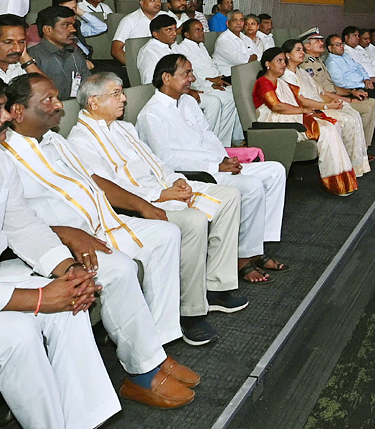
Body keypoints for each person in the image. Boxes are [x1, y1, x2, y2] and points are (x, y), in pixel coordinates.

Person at [0, 75, 200, 409]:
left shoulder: (54, 141)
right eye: (47, 100)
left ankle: (159, 346)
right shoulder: (1, 155)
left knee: (166, 235)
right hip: (58, 246)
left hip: (102, 225)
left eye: (56, 97)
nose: (58, 105)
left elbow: (94, 182)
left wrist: (140, 204)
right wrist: (67, 234)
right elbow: (14, 222)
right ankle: (141, 374)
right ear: (18, 111)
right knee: (119, 270)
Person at [0, 72, 122, 429]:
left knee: (69, 305)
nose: (7, 117)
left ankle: (83, 421)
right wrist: (39, 297)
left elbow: (24, 225)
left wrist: (66, 270)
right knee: (19, 334)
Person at [68, 72, 247, 345]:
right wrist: (162, 194)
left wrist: (178, 181)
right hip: (141, 203)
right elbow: (109, 190)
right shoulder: (80, 140)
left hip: (165, 187)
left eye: (121, 92)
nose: (124, 98)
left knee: (229, 195)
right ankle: (189, 311)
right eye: (116, 93)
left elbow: (156, 162)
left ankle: (216, 286)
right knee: (194, 220)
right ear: (93, 102)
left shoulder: (123, 128)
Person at [138, 54, 288, 284]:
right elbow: (166, 160)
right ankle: (243, 258)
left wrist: (226, 159)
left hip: (218, 165)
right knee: (252, 185)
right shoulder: (151, 114)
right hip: (194, 175)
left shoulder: (187, 101)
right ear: (166, 78)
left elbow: (208, 135)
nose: (192, 78)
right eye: (186, 73)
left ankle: (256, 248)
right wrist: (216, 166)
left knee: (275, 171)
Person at [255, 45, 367, 194]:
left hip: (291, 115)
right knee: (326, 130)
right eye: (279, 61)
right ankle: (336, 182)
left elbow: (295, 101)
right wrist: (303, 111)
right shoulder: (263, 82)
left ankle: (343, 179)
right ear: (267, 64)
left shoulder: (280, 82)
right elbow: (277, 107)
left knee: (331, 126)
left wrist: (307, 111)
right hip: (274, 120)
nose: (283, 64)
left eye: (283, 60)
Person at [299, 32, 375, 148]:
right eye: (317, 41)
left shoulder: (318, 61)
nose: (322, 43)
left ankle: (364, 147)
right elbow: (321, 93)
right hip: (326, 102)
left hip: (334, 96)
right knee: (366, 109)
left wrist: (351, 92)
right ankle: (355, 147)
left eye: (321, 40)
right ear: (307, 46)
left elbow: (332, 87)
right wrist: (348, 100)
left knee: (374, 103)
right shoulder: (306, 65)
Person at [173, 18, 244, 145]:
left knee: (238, 93)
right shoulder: (182, 49)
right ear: (187, 34)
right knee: (228, 98)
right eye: (197, 30)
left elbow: (211, 66)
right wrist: (211, 83)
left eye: (202, 30)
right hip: (200, 86)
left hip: (213, 82)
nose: (201, 33)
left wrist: (219, 78)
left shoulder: (201, 46)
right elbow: (192, 76)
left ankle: (236, 138)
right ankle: (218, 141)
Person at [325, 34, 375, 147]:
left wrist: (366, 79)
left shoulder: (345, 56)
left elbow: (359, 67)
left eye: (341, 44)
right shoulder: (332, 63)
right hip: (353, 88)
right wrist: (362, 84)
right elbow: (340, 83)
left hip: (363, 83)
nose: (341, 47)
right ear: (330, 48)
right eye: (337, 45)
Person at [29, 5, 92, 100]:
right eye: (66, 25)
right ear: (48, 30)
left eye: (73, 25)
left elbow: (89, 87)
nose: (73, 30)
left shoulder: (75, 54)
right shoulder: (33, 56)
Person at [111, 0, 164, 66]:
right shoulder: (130, 20)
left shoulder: (166, 17)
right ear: (142, 3)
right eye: (153, 0)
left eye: (159, 0)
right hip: (136, 63)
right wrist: (133, 67)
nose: (157, 3)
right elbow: (116, 49)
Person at [212, 10, 259, 77]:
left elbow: (258, 56)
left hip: (247, 74)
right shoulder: (223, 40)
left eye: (241, 20)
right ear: (227, 23)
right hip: (228, 77)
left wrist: (253, 58)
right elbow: (240, 61)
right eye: (234, 20)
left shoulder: (247, 39)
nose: (238, 23)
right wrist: (252, 57)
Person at [137, 14, 180, 84]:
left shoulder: (174, 46)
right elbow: (149, 82)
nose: (174, 33)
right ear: (156, 34)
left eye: (175, 29)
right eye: (169, 30)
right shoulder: (149, 52)